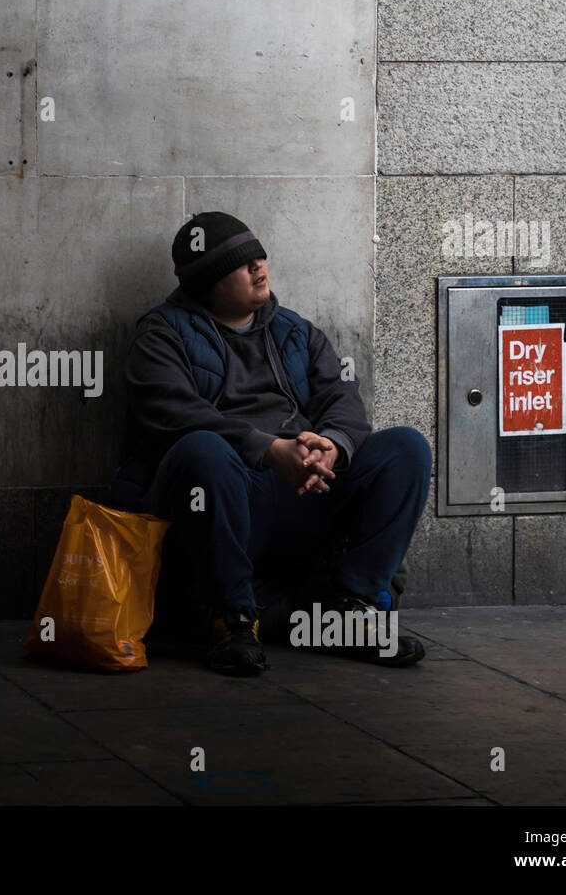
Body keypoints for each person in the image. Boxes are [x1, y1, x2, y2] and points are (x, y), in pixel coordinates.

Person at [109, 212, 431, 676]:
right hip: (226, 494)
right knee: (202, 450)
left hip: (305, 489)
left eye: (259, 256)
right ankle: (232, 619)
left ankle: (350, 608)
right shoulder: (161, 335)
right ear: (209, 282)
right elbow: (173, 413)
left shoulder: (295, 331)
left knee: (406, 448)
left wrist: (330, 447)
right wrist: (268, 450)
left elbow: (342, 397)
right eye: (243, 263)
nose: (260, 267)